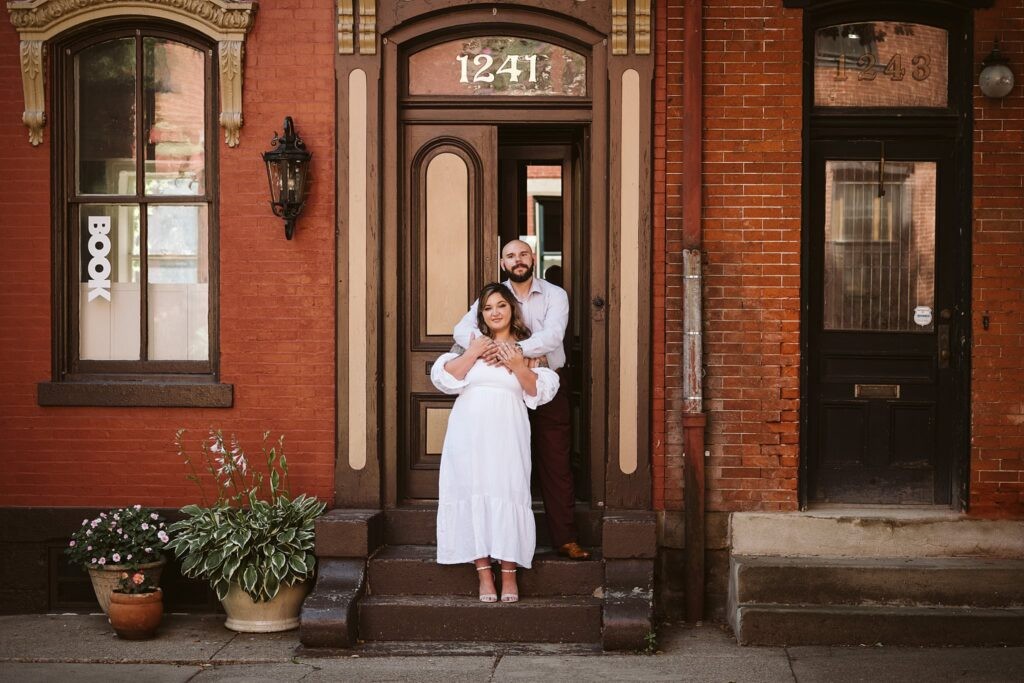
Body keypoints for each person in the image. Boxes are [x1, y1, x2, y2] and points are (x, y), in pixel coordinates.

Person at [453, 240, 591, 561]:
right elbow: (462, 330)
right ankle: (502, 544)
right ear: (503, 263)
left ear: (533, 258)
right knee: (505, 464)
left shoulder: (555, 295)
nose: (518, 261)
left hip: (547, 384)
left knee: (555, 461)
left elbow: (553, 336)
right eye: (511, 256)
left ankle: (566, 538)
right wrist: (495, 351)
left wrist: (516, 352)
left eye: (523, 255)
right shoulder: (493, 296)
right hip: (504, 389)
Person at [431, 283, 560, 603]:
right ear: (481, 315)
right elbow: (446, 379)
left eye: (501, 305)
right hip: (468, 432)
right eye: (488, 308)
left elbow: (538, 392)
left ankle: (509, 573)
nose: (495, 312)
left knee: (508, 491)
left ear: (511, 310)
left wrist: (517, 364)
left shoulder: (527, 352)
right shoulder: (468, 347)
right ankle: (484, 575)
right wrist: (474, 351)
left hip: (507, 431)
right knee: (472, 491)